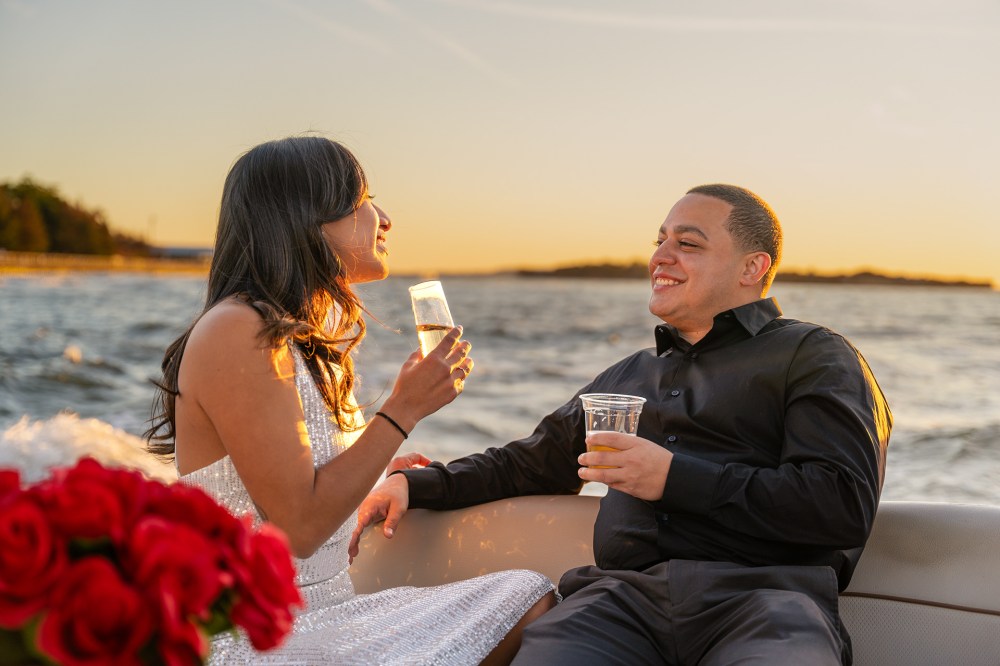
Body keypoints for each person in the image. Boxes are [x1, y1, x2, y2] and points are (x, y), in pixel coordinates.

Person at [353, 184, 892, 665]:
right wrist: (415, 483)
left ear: (752, 267)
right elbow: (531, 463)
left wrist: (673, 477)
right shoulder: (629, 374)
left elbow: (840, 505)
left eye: (689, 243)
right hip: (616, 605)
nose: (660, 256)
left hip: (767, 604)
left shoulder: (814, 355)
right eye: (659, 241)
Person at [145, 135, 556, 665]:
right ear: (307, 218)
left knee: (529, 595)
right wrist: (402, 411)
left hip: (332, 614)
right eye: (362, 199)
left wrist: (376, 464)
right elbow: (300, 528)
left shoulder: (303, 338)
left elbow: (299, 480)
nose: (383, 217)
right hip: (262, 639)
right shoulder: (237, 329)